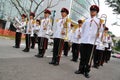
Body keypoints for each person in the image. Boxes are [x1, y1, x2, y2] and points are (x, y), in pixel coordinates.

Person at [75, 5, 104, 78]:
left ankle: (86, 71)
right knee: (82, 56)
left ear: (96, 12)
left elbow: (101, 31)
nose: (92, 12)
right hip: (84, 41)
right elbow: (83, 30)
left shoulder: (99, 21)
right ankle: (80, 69)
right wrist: (80, 36)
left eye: (94, 11)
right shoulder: (86, 20)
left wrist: (98, 34)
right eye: (91, 11)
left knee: (89, 57)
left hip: (92, 42)